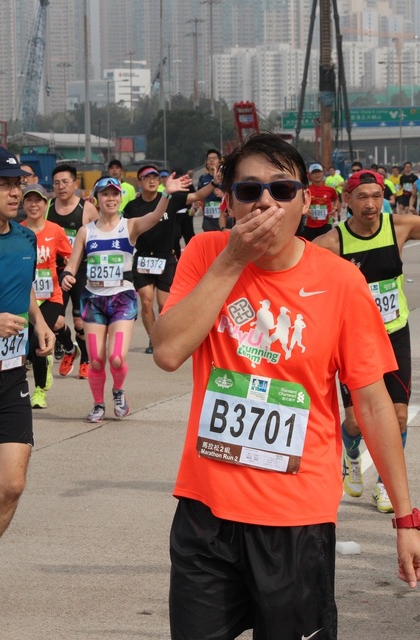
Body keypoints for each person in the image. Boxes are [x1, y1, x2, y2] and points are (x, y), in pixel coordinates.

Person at [151, 133, 420, 640]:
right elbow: (167, 351)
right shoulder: (206, 254)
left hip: (297, 519)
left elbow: (372, 403)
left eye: (281, 189)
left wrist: (406, 520)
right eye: (248, 190)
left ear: (305, 201)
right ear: (229, 203)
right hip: (206, 512)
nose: (265, 202)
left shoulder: (341, 281)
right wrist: (233, 259)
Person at [314, 168, 420, 513]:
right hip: (354, 339)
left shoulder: (399, 226)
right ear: (348, 200)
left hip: (394, 332)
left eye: (376, 196)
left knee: (399, 416)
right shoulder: (333, 242)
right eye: (362, 197)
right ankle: (351, 456)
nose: (371, 204)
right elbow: (298, 270)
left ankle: (386, 485)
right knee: (355, 422)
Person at [62, 172, 191, 423]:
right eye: (105, 194)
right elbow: (72, 264)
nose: (110, 198)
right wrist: (67, 275)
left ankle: (118, 391)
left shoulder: (129, 226)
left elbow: (155, 216)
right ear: (97, 199)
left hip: (122, 300)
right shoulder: (86, 232)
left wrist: (166, 194)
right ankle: (98, 404)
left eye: (115, 194)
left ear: (120, 198)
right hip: (93, 301)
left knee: (116, 357)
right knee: (96, 360)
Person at [0, 145, 55, 546]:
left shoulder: (25, 239)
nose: (15, 192)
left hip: (12, 374)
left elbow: (25, 286)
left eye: (18, 183)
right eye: (4, 184)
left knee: (11, 486)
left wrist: (39, 321)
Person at [123, 164, 218, 354]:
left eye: (155, 177)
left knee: (163, 304)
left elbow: (197, 196)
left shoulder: (170, 198)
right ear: (139, 182)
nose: (152, 180)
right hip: (142, 259)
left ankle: (164, 334)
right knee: (146, 301)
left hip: (165, 258)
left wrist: (214, 182)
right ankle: (153, 339)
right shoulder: (132, 207)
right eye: (147, 177)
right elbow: (123, 231)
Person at [21, 184, 73, 409]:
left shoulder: (55, 230)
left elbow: (72, 256)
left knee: (38, 342)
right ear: (23, 204)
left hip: (51, 296)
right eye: (29, 200)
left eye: (38, 200)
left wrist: (68, 272)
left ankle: (40, 390)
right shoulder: (18, 231)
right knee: (28, 346)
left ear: (45, 203)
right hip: (26, 296)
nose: (34, 205)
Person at [47, 163, 98, 378]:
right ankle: (70, 349)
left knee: (79, 321)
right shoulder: (48, 207)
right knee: (54, 320)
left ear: (75, 184)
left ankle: (85, 358)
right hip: (54, 272)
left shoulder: (86, 209)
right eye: (56, 183)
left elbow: (99, 238)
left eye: (65, 182)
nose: (61, 187)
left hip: (80, 271)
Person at [302, 163, 338, 241]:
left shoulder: (330, 187)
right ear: (310, 175)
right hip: (310, 224)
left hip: (326, 223)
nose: (317, 175)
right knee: (310, 245)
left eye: (318, 172)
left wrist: (335, 208)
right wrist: (304, 209)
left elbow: (336, 198)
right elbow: (300, 201)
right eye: (314, 173)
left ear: (323, 173)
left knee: (325, 245)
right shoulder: (306, 188)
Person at [197, 148, 223, 232]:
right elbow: (198, 195)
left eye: (214, 158)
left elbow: (233, 195)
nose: (211, 160)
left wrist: (223, 195)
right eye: (209, 159)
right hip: (208, 219)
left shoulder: (226, 177)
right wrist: (197, 204)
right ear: (206, 163)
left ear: (219, 161)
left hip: (223, 217)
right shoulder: (203, 178)